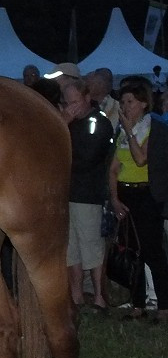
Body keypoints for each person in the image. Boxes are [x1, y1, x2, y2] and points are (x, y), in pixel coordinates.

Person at [108, 76, 168, 319]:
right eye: (123, 102)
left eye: (130, 101)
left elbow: (141, 159)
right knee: (133, 252)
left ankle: (164, 305)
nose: (125, 107)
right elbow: (113, 168)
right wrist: (114, 199)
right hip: (126, 194)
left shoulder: (152, 128)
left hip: (146, 195)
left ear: (144, 103)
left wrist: (131, 131)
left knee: (152, 251)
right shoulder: (121, 131)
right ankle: (138, 304)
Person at [58, 77, 114, 312]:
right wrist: (65, 121)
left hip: (88, 195)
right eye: (67, 102)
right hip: (67, 195)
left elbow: (87, 158)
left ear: (86, 98)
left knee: (91, 246)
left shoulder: (98, 123)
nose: (72, 106)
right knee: (71, 249)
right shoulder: (68, 122)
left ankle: (100, 297)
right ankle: (77, 296)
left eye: (75, 101)